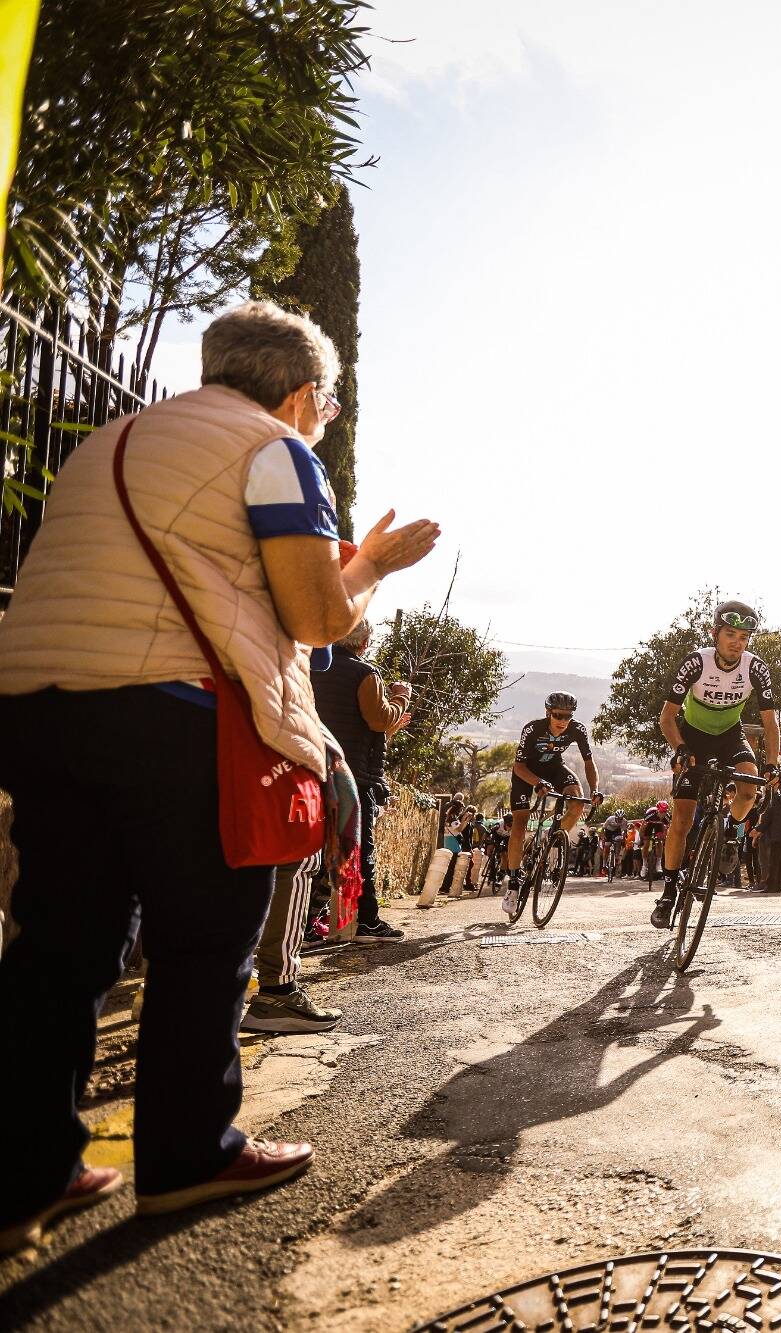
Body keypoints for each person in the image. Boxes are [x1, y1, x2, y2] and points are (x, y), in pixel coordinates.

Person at [0, 300, 439, 1247]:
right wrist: (369, 566)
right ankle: (188, 1152)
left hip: (36, 702)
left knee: (62, 943)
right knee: (204, 940)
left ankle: (21, 1174)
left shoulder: (115, 438)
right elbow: (317, 617)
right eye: (325, 401)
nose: (323, 417)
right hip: (174, 713)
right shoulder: (276, 449)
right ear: (300, 393)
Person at [650, 601, 781, 925]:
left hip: (729, 736)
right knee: (682, 820)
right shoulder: (696, 662)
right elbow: (667, 717)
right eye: (730, 634)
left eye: (743, 636)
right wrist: (680, 748)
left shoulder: (755, 668)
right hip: (692, 738)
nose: (736, 642)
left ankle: (727, 835)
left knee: (749, 785)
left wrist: (772, 764)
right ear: (715, 634)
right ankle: (669, 891)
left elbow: (770, 724)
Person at [310, 617, 412, 942]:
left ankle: (307, 923)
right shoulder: (365, 674)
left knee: (313, 848)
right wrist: (400, 697)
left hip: (314, 765)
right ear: (365, 643)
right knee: (357, 849)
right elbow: (378, 719)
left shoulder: (312, 670)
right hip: (354, 777)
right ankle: (367, 921)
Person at [503, 693, 599, 916]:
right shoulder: (532, 729)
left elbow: (588, 762)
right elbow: (518, 767)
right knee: (520, 822)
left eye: (567, 716)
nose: (563, 720)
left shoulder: (577, 729)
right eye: (558, 715)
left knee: (577, 801)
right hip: (527, 774)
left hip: (554, 769)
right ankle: (514, 883)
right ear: (548, 713)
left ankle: (552, 840)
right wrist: (537, 782)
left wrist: (595, 790)